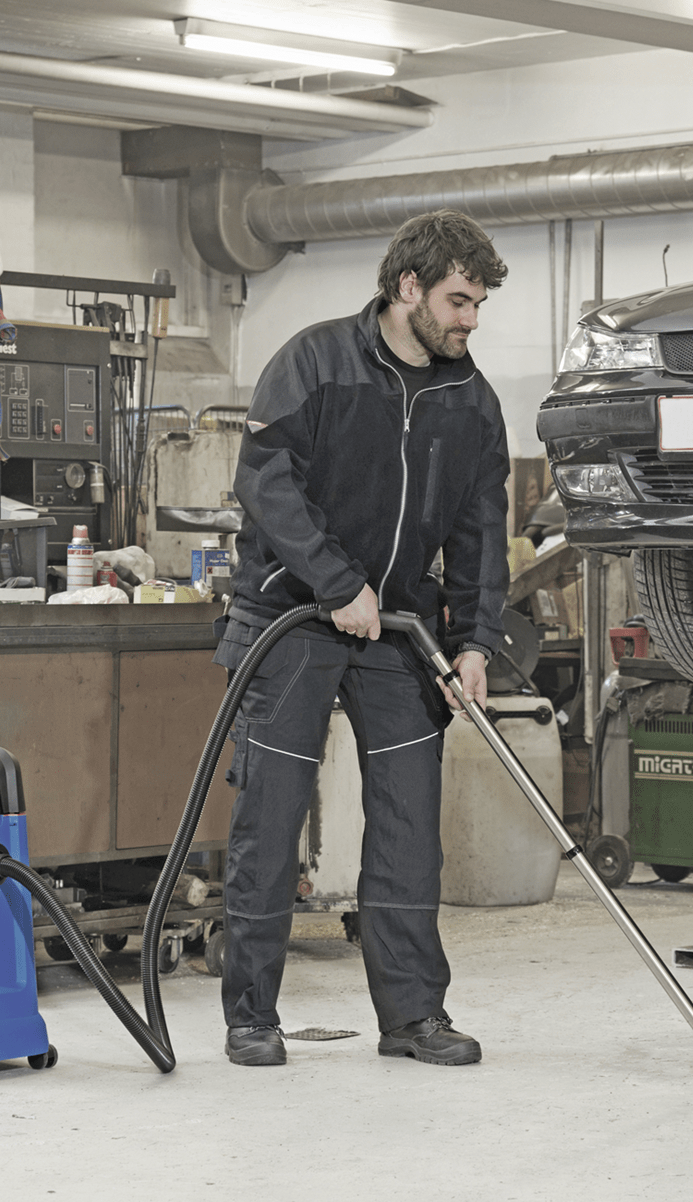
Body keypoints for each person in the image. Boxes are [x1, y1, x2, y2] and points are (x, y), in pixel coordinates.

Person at [214, 208, 510, 1069]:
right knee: (270, 819)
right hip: (292, 618)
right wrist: (336, 583)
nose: (471, 319)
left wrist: (476, 642)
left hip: (401, 629)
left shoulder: (471, 400)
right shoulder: (315, 362)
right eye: (459, 300)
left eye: (479, 304)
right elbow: (265, 481)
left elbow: (481, 530)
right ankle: (252, 1014)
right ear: (408, 288)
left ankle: (413, 1016)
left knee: (411, 823)